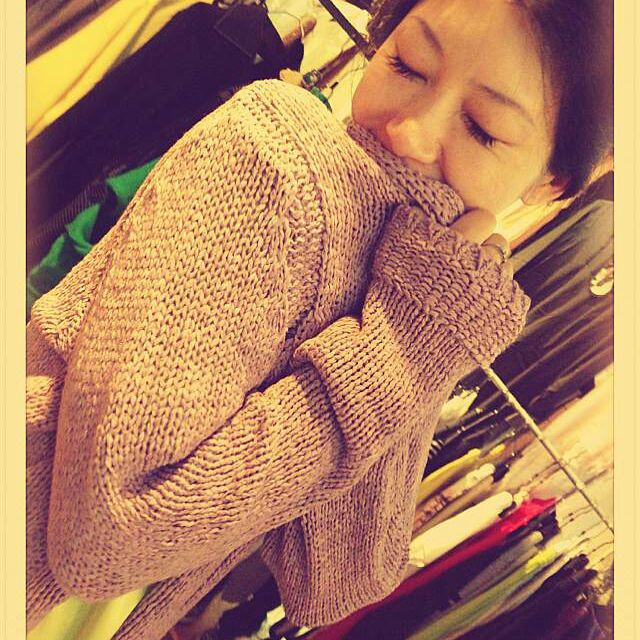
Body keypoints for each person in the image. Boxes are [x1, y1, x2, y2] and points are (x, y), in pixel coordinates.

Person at [25, 0, 613, 638]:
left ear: (551, 185)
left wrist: (423, 327)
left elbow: (334, 574)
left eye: (482, 127)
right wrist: (401, 352)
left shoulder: (426, 270)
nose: (410, 133)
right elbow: (106, 532)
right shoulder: (278, 155)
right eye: (408, 65)